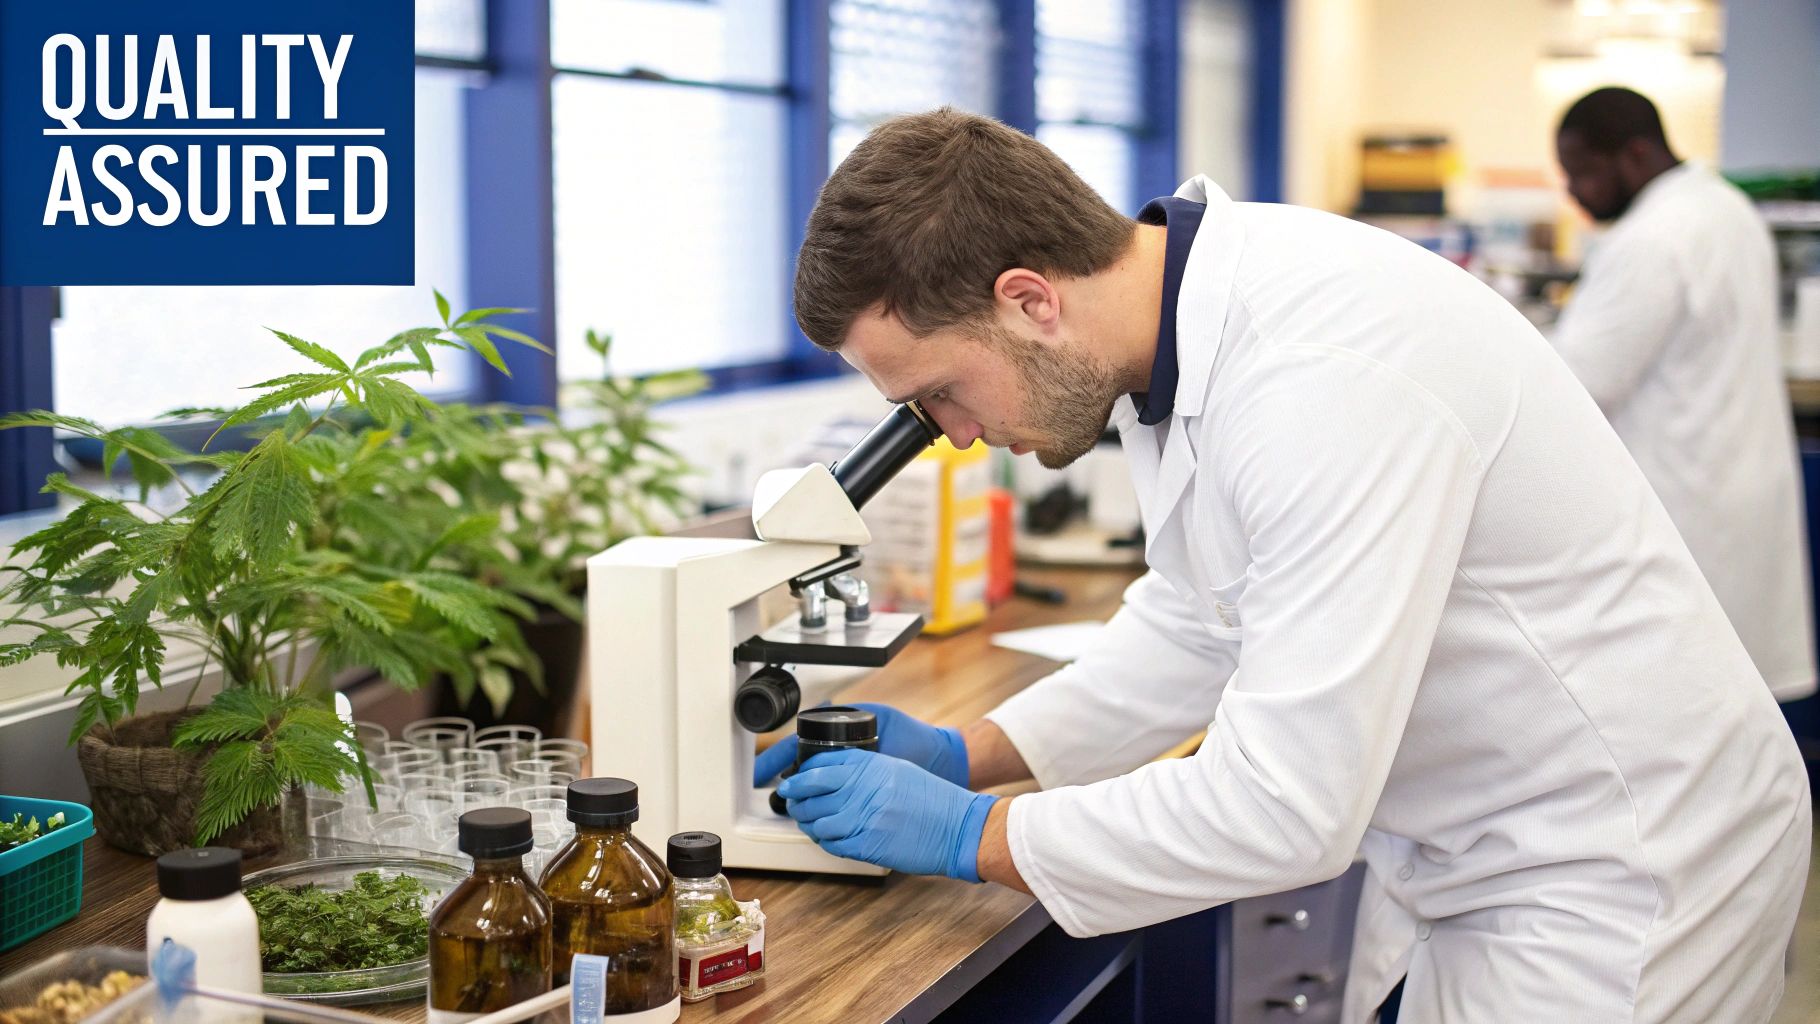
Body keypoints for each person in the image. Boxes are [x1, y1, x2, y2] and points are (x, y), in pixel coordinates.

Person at [762, 108, 1810, 1022]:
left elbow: (1281, 806)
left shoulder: (1319, 373)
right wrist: (970, 751)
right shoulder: (1161, 336)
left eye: (939, 390)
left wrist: (971, 833)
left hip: (1619, 861)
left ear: (1028, 300)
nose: (946, 433)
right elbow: (1196, 618)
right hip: (1492, 836)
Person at [1553, 86, 1816, 704]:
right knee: (1731, 710)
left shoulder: (1651, 240)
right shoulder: (1724, 208)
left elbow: (1578, 385)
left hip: (1684, 501)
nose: (1576, 194)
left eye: (1585, 173)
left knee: (1675, 705)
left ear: (1636, 155)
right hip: (1728, 485)